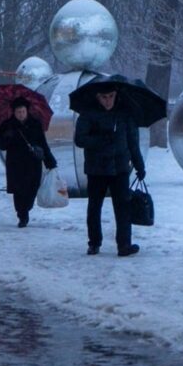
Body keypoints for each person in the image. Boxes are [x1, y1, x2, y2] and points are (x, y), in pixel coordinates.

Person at [74, 85, 145, 257]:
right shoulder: (88, 113)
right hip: (96, 168)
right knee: (94, 207)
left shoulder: (125, 114)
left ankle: (124, 245)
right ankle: (94, 242)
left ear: (116, 95)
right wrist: (101, 139)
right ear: (97, 97)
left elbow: (133, 142)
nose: (108, 101)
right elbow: (80, 139)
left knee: (123, 207)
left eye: (111, 96)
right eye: (104, 97)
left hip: (120, 168)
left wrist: (139, 165)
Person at [0, 97, 57, 228]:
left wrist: (49, 160)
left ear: (27, 111)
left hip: (33, 163)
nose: (21, 114)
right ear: (14, 112)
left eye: (23, 111)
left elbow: (43, 143)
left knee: (32, 188)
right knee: (18, 191)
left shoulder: (35, 123)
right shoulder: (7, 125)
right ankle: (22, 215)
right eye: (18, 112)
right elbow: (0, 144)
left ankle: (26, 209)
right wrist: (7, 136)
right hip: (15, 164)